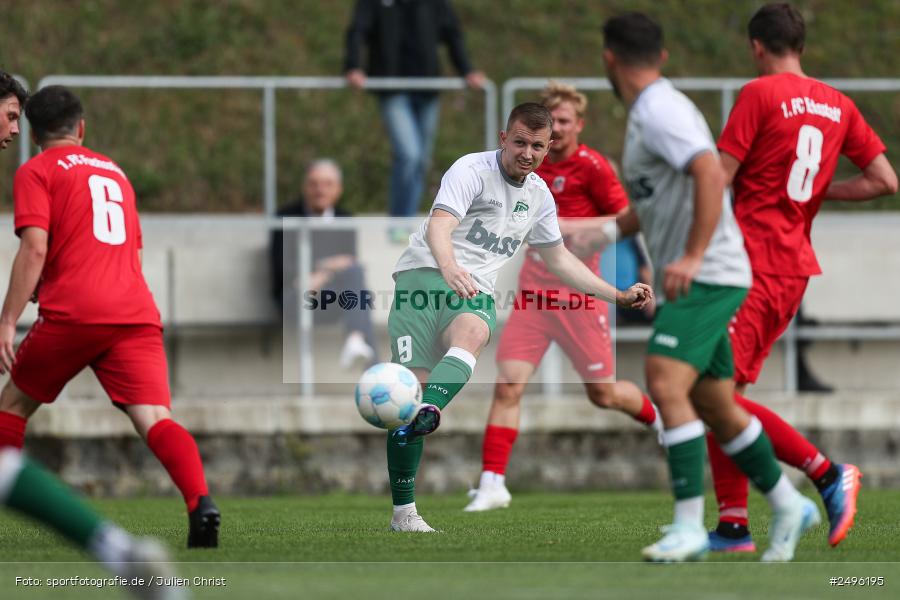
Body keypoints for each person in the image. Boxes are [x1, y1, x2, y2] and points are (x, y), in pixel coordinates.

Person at [599, 12, 819, 562]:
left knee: (664, 380)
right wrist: (599, 232)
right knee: (716, 403)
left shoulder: (658, 110)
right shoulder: (653, 109)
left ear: (609, 60)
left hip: (711, 273)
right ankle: (788, 504)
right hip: (702, 273)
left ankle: (688, 527)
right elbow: (657, 198)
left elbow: (705, 169)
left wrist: (694, 255)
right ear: (662, 56)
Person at [384, 102, 652, 532]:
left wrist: (617, 294)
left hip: (472, 291)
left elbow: (561, 260)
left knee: (472, 332)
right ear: (503, 138)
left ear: (548, 150)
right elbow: (439, 225)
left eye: (538, 146)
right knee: (404, 402)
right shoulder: (470, 170)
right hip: (420, 278)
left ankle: (431, 406)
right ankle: (404, 513)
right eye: (520, 142)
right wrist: (450, 266)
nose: (527, 153)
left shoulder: (540, 196)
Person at [705, 2, 898, 553]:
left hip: (751, 262)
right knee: (725, 393)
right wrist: (819, 192)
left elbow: (720, 176)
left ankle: (827, 473)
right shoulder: (839, 104)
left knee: (710, 391)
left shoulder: (758, 94)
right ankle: (734, 527)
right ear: (801, 46)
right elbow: (885, 180)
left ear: (756, 46)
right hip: (792, 266)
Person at [0, 85, 221, 549]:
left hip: (75, 312)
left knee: (12, 408)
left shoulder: (36, 170)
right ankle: (200, 503)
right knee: (155, 417)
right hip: (135, 310)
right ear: (81, 128)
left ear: (34, 133)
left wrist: (7, 320)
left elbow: (35, 245)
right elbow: (128, 250)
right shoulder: (116, 173)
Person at [464, 83, 661, 512]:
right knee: (508, 385)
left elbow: (628, 217)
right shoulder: (520, 170)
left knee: (603, 395)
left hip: (580, 296)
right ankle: (492, 484)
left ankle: (661, 419)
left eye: (566, 121)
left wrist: (586, 233)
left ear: (577, 126)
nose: (557, 131)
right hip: (534, 294)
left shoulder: (592, 167)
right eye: (552, 123)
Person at [344, 0, 486, 226]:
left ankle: (407, 221)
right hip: (392, 90)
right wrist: (353, 66)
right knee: (409, 154)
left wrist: (466, 70)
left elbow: (452, 33)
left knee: (421, 160)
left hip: (427, 90)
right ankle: (400, 222)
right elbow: (357, 31)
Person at [271, 159, 378, 368]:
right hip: (295, 299)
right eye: (314, 183)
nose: (320, 190)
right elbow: (281, 268)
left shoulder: (345, 219)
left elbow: (349, 266)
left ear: (338, 189)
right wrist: (329, 266)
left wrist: (319, 274)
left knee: (358, 286)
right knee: (360, 295)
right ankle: (373, 367)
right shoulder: (286, 217)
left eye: (327, 184)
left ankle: (356, 341)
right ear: (305, 187)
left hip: (330, 298)